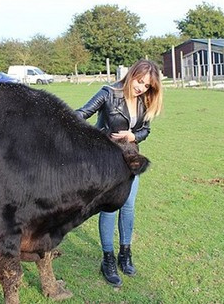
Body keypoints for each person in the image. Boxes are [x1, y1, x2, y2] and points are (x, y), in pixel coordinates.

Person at [75, 59, 163, 287]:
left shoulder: (144, 101)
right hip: (106, 162)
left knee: (129, 205)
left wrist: (134, 136)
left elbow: (145, 129)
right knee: (111, 208)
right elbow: (81, 114)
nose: (141, 87)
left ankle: (126, 254)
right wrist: (94, 138)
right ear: (132, 74)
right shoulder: (108, 93)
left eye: (147, 86)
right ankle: (108, 259)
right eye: (140, 81)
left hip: (130, 160)